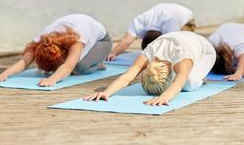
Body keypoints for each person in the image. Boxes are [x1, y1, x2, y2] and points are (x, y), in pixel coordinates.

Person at [85, 31, 216, 106]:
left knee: (188, 83)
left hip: (205, 51)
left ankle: (201, 79)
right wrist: (106, 92)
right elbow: (127, 77)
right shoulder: (149, 53)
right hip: (182, 38)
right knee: (182, 78)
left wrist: (165, 96)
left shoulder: (182, 57)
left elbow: (178, 83)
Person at [0, 14, 112, 87]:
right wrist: (3, 74)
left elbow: (67, 66)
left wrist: (53, 79)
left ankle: (97, 64)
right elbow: (25, 61)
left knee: (79, 67)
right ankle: (91, 60)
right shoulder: (42, 38)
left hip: (102, 41)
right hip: (74, 38)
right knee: (72, 65)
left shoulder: (77, 39)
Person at [107, 3, 196, 60]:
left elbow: (177, 45)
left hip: (185, 19)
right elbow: (126, 41)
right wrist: (113, 53)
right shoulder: (139, 22)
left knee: (185, 46)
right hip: (164, 11)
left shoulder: (171, 26)